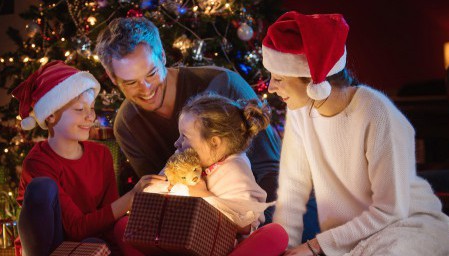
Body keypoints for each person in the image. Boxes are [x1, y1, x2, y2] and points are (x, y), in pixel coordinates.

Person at [263, 12, 449, 256]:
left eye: (279, 78)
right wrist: (283, 249)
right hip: (349, 239)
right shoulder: (299, 113)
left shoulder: (374, 111)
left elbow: (389, 210)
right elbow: (292, 192)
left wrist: (315, 246)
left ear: (311, 78)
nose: (271, 87)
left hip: (403, 225)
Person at [94, 17, 305, 227]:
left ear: (163, 57)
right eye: (131, 82)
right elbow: (163, 188)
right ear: (113, 79)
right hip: (198, 227)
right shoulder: (127, 125)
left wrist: (254, 233)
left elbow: (272, 169)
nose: (146, 88)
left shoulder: (223, 85)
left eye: (151, 73)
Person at [13, 61, 166, 255]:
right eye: (79, 109)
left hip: (88, 244)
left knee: (96, 242)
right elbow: (76, 227)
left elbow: (109, 218)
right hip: (50, 246)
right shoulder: (38, 163)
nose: (90, 117)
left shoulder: (100, 154)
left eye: (92, 108)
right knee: (42, 187)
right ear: (50, 115)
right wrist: (132, 196)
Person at [115, 93, 289, 256]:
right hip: (175, 237)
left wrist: (202, 195)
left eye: (185, 136)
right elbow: (162, 189)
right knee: (124, 226)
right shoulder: (183, 158)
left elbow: (245, 224)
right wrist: (156, 188)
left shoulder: (235, 168)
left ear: (214, 142)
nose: (177, 143)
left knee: (275, 235)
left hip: (217, 247)